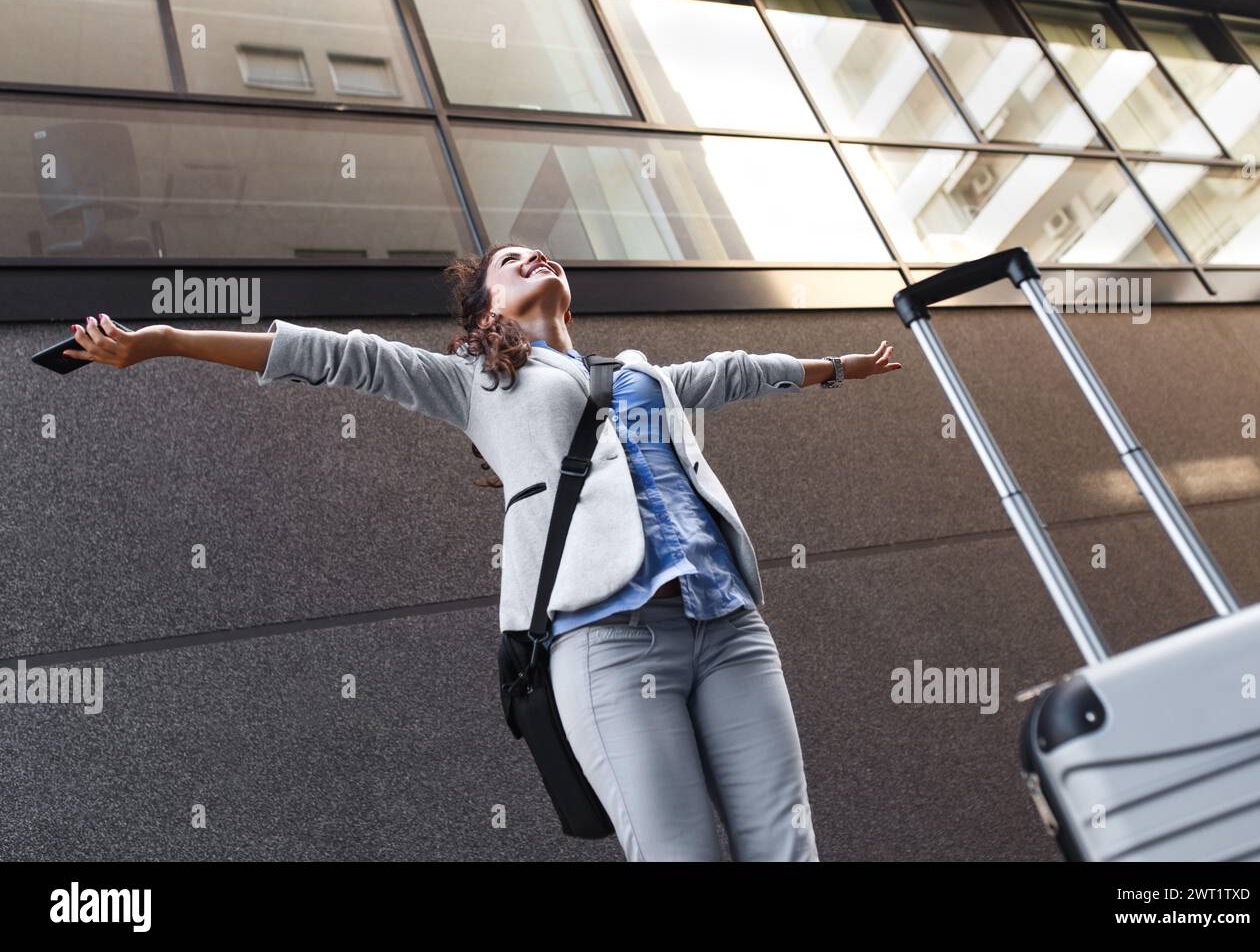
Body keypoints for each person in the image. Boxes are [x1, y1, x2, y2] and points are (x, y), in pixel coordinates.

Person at [62, 242, 902, 861]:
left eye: (540, 252)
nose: (533, 255)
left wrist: (838, 368)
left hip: (728, 623)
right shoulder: (477, 382)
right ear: (485, 313)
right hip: (608, 641)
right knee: (681, 855)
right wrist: (165, 339)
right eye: (508, 261)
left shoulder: (641, 370)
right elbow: (341, 358)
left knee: (785, 844)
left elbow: (735, 371)